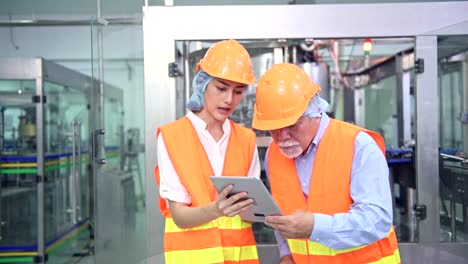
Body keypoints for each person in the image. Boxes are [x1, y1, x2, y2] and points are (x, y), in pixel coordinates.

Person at [251, 63, 400, 264]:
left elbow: (377, 220)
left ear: (314, 111)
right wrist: (286, 253)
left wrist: (315, 226)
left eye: (292, 125)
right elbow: (283, 215)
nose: (282, 137)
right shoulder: (273, 155)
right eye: (273, 128)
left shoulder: (358, 145)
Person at [154, 39, 261, 264]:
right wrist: (216, 209)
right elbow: (179, 216)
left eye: (238, 91)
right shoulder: (172, 137)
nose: (229, 99)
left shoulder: (246, 138)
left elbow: (251, 211)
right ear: (202, 84)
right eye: (221, 88)